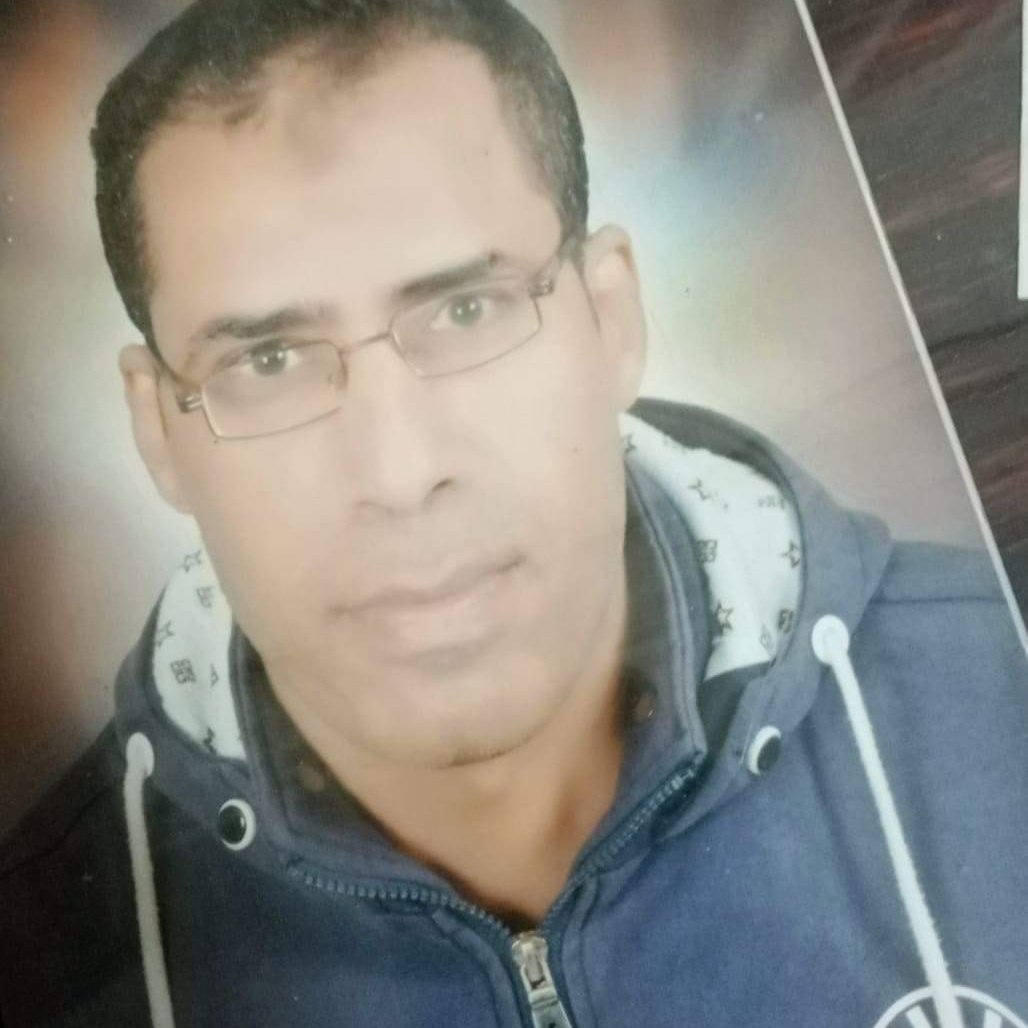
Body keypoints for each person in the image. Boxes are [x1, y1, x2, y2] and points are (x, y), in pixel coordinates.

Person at [1, 1, 1026, 1026]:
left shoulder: (998, 688)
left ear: (612, 316)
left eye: (466, 309)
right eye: (267, 361)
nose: (400, 472)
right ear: (156, 428)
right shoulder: (39, 953)